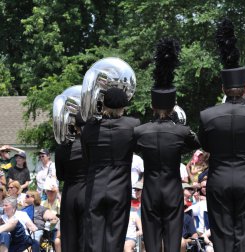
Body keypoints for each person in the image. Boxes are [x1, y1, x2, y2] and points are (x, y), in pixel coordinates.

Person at [198, 18, 245, 251]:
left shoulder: (208, 115)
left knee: (222, 235)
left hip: (219, 179)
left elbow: (205, 145)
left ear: (223, 89)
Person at [134, 38, 199, 252]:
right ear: (173, 107)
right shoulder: (181, 131)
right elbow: (196, 143)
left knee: (151, 240)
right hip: (173, 190)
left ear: (152, 106)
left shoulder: (141, 131)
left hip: (151, 190)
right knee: (173, 239)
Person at [81, 87, 140, 252]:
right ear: (123, 106)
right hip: (120, 188)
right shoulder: (133, 125)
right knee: (115, 239)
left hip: (95, 187)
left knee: (93, 240)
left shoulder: (88, 128)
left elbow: (86, 158)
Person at [55, 112, 87, 252]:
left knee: (68, 235)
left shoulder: (61, 148)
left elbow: (60, 176)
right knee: (85, 235)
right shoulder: (89, 145)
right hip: (86, 191)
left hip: (69, 193)